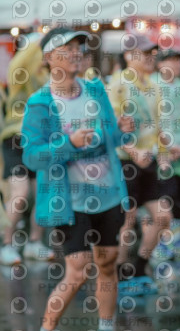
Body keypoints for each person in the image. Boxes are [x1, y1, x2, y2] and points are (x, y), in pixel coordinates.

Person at [21, 28, 134, 331]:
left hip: (108, 193)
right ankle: (47, 328)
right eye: (67, 48)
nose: (76, 53)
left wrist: (121, 130)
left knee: (107, 263)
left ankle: (107, 326)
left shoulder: (95, 90)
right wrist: (68, 143)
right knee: (79, 269)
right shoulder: (39, 103)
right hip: (70, 200)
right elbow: (32, 157)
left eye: (79, 48)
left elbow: (109, 138)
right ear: (48, 57)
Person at [106, 34, 172, 297]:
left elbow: (158, 126)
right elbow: (111, 123)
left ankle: (140, 267)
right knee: (128, 219)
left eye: (152, 54)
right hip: (125, 162)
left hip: (149, 161)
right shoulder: (118, 83)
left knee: (163, 216)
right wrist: (132, 151)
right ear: (128, 56)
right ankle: (121, 274)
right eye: (144, 53)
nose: (149, 58)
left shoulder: (154, 85)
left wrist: (165, 152)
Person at [0, 32, 54, 265]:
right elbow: (20, 63)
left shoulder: (46, 77)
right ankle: (6, 244)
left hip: (40, 142)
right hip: (16, 138)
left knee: (42, 194)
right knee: (20, 195)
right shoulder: (19, 73)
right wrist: (41, 38)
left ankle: (34, 242)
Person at [150, 49, 180, 259]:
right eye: (172, 61)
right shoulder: (151, 85)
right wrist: (165, 147)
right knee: (161, 199)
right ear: (160, 64)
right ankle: (158, 242)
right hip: (161, 154)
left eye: (179, 61)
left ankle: (176, 240)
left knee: (179, 197)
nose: (177, 65)